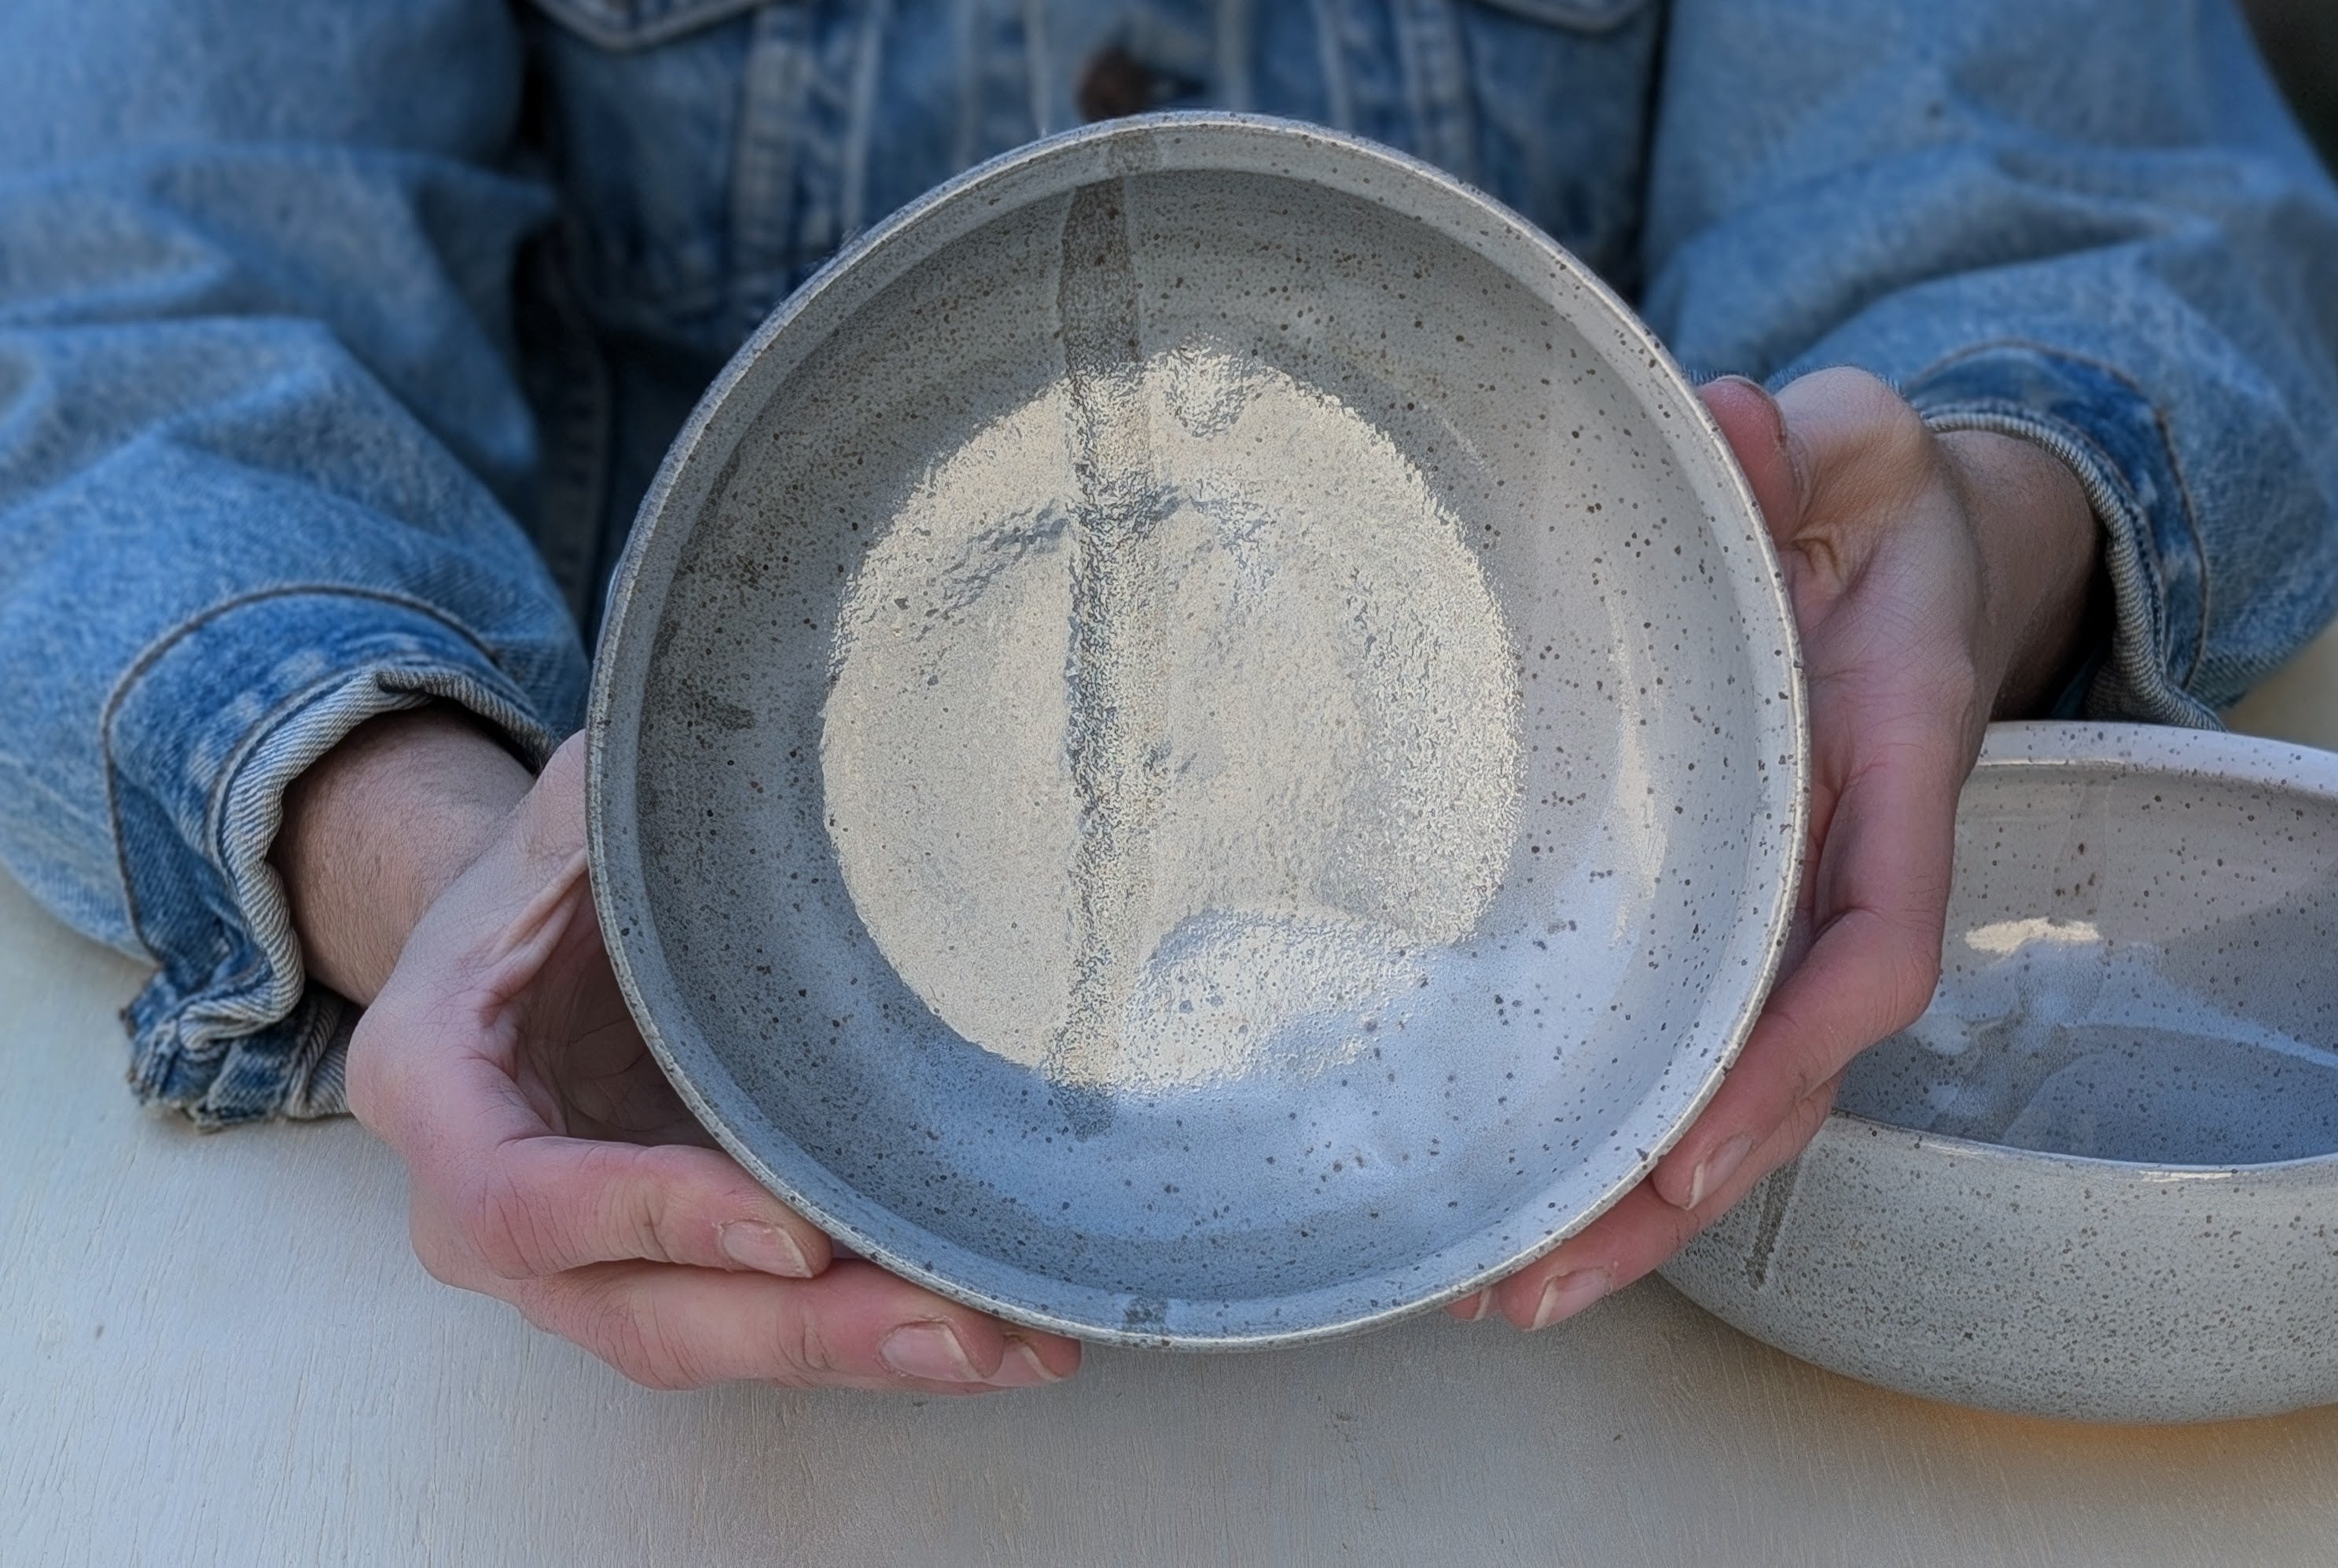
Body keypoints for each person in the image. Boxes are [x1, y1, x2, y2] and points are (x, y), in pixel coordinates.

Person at [2, 0, 2335, 1394]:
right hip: (522, 1295)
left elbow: (2058, 182)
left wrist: (1974, 519)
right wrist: (425, 846)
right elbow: (132, 289)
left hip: (1605, 1177)